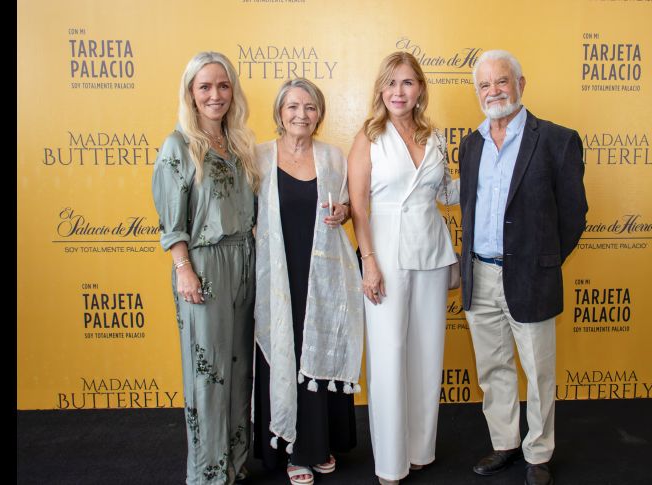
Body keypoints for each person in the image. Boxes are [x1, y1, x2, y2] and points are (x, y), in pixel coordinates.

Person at [457, 49, 588, 485]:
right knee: (493, 369)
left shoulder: (556, 140)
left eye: (501, 81)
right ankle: (504, 444)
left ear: (520, 84)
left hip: (531, 276)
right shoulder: (471, 143)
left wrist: (543, 262)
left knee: (538, 370)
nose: (493, 91)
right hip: (481, 274)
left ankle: (538, 453)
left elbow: (573, 215)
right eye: (485, 85)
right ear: (478, 92)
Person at [347, 51, 459, 485]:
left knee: (428, 354)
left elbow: (446, 191)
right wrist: (369, 263)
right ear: (380, 89)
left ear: (420, 90)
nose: (399, 91)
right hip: (386, 254)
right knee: (389, 355)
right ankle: (390, 463)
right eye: (391, 83)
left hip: (431, 253)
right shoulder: (368, 137)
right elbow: (358, 206)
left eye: (408, 83)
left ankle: (419, 451)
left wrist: (491, 176)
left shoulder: (435, 137)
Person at [151, 51, 260, 485]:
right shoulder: (178, 146)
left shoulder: (239, 143)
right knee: (208, 372)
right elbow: (171, 220)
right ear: (191, 94)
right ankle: (208, 472)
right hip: (203, 265)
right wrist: (183, 268)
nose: (215, 95)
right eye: (205, 87)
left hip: (244, 263)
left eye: (223, 85)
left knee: (238, 368)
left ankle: (235, 463)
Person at [252, 77, 364, 485]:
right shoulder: (258, 156)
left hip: (322, 276)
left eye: (310, 107)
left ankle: (319, 446)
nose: (302, 114)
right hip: (278, 276)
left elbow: (350, 206)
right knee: (284, 350)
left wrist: (344, 211)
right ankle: (292, 451)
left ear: (320, 114)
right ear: (280, 113)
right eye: (293, 107)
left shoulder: (332, 157)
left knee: (318, 349)